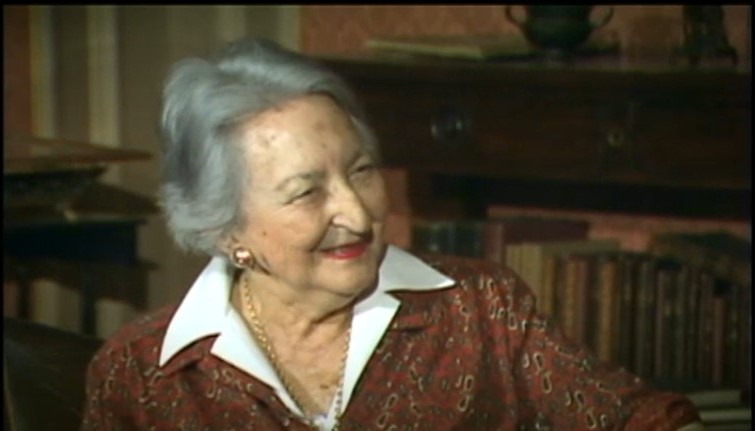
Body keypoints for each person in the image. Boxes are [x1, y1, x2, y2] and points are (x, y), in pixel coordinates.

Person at [80, 38, 705, 430]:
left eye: (362, 171)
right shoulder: (145, 373)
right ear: (224, 229)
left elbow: (640, 418)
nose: (356, 213)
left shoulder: (482, 308)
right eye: (306, 193)